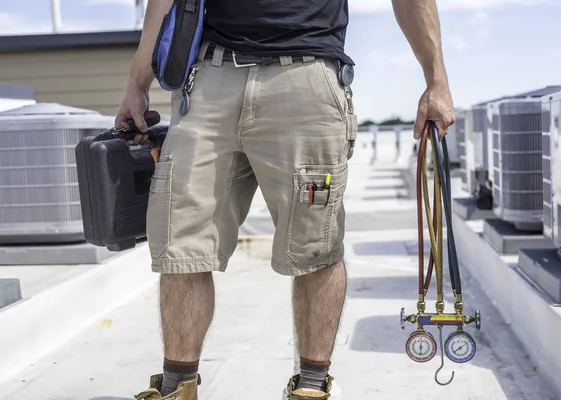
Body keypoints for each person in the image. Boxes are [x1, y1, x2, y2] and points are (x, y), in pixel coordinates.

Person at [116, 0, 455, 399]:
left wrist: (436, 78)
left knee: (316, 247)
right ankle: (177, 388)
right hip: (209, 80)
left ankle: (311, 387)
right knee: (181, 245)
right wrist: (137, 81)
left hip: (307, 78)